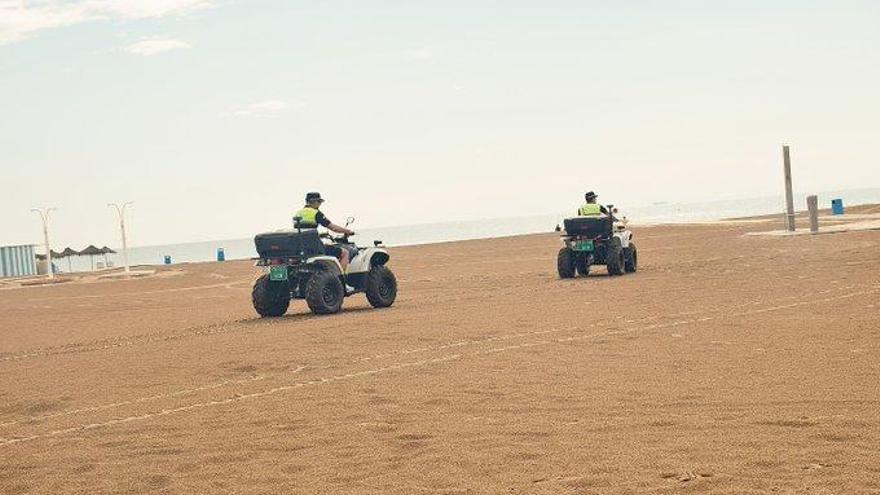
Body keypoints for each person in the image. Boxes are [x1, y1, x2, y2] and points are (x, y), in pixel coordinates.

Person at [294, 192, 355, 270]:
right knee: (345, 253)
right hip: (315, 248)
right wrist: (348, 231)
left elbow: (304, 230)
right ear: (314, 201)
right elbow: (333, 228)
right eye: (319, 202)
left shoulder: (298, 213)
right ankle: (340, 278)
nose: (320, 204)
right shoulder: (316, 213)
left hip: (302, 248)